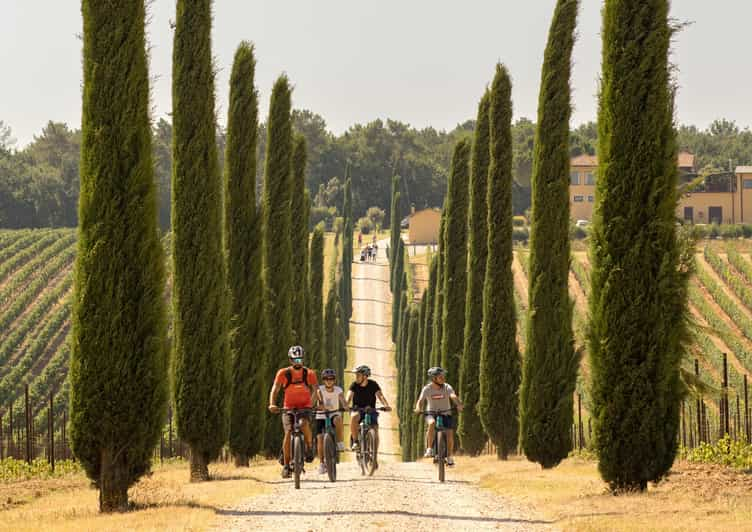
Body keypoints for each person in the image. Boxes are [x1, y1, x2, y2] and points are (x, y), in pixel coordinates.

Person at [268, 345, 318, 478]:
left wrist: (312, 404)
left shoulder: (309, 373)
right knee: (288, 432)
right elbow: (275, 389)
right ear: (290, 360)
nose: (298, 362)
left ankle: (309, 447)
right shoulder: (283, 373)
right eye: (295, 360)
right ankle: (286, 465)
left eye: (300, 360)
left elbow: (315, 390)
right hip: (288, 408)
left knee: (303, 424)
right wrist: (272, 404)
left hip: (305, 407)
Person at [414, 366, 463, 466]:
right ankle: (429, 448)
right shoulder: (427, 389)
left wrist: (458, 404)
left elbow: (453, 395)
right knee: (431, 423)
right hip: (431, 413)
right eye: (440, 377)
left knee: (450, 434)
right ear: (433, 378)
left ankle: (449, 457)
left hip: (446, 413)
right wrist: (418, 408)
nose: (443, 378)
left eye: (443, 376)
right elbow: (420, 400)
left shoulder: (447, 387)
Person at [346, 365, 391, 469]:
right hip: (358, 410)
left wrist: (386, 405)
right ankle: (356, 441)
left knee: (375, 430)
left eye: (358, 375)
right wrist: (345, 405)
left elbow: (380, 396)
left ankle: (374, 456)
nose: (356, 377)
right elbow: (348, 397)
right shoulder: (354, 385)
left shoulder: (373, 385)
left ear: (365, 376)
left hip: (371, 411)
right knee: (354, 417)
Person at [315, 368, 347, 474]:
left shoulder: (338, 390)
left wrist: (346, 407)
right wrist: (313, 407)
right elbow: (311, 402)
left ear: (334, 380)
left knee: (338, 419)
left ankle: (340, 442)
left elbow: (343, 400)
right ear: (323, 380)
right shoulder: (319, 389)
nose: (329, 381)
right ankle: (321, 463)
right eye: (326, 379)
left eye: (331, 378)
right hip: (321, 416)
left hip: (334, 413)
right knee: (320, 438)